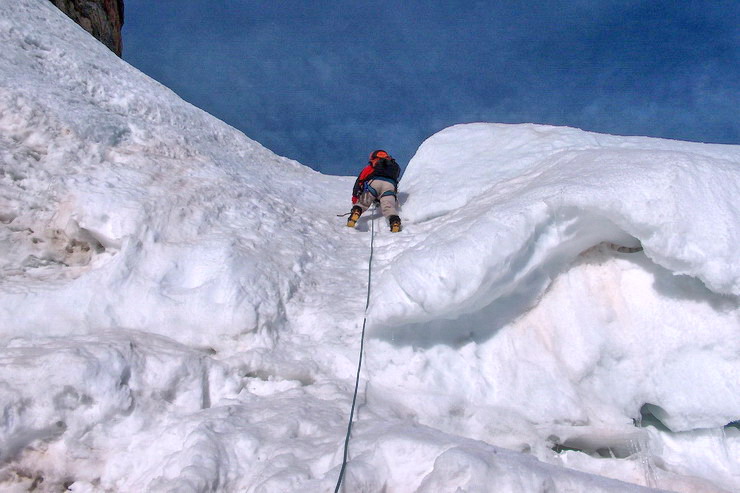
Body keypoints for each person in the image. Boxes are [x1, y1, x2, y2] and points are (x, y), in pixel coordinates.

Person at [347, 150, 402, 232]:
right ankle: (394, 221)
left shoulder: (373, 166)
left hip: (374, 183)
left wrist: (355, 197)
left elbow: (360, 180)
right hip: (390, 185)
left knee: (363, 203)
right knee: (389, 207)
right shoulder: (392, 166)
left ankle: (356, 212)